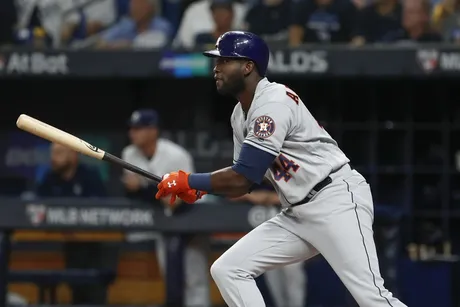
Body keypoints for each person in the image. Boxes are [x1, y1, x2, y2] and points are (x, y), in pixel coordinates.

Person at [155, 31, 408, 307]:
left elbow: (242, 178)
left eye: (225, 61)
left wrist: (189, 180)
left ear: (248, 66)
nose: (216, 68)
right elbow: (247, 179)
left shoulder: (273, 101)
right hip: (297, 213)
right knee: (228, 269)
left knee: (372, 298)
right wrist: (201, 188)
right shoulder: (240, 115)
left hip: (335, 200)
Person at [121, 109, 210, 307]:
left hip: (191, 217)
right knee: (170, 276)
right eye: (132, 128)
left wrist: (145, 188)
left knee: (194, 277)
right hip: (164, 221)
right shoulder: (129, 153)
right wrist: (155, 191)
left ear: (153, 131)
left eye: (139, 128)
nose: (133, 133)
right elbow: (131, 191)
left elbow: (182, 197)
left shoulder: (175, 155)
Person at [35, 143, 114, 305]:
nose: (53, 159)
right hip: (65, 246)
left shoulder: (90, 176)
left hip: (95, 248)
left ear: (73, 155)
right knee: (76, 288)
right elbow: (35, 207)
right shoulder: (50, 178)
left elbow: (104, 211)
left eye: (59, 153)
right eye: (52, 153)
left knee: (94, 290)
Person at [233, 188, 307, 307]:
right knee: (271, 274)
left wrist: (267, 197)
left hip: (291, 220)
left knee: (292, 272)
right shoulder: (258, 174)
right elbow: (232, 194)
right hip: (264, 219)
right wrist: (251, 196)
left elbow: (300, 194)